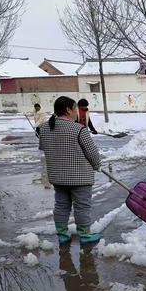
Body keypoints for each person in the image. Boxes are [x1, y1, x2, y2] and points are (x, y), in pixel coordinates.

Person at [38, 96, 102, 245]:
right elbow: (92, 153)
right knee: (82, 206)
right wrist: (96, 165)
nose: (76, 112)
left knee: (61, 205)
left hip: (57, 176)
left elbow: (43, 147)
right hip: (79, 177)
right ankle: (85, 236)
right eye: (74, 109)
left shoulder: (45, 128)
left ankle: (62, 234)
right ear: (68, 110)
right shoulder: (79, 129)